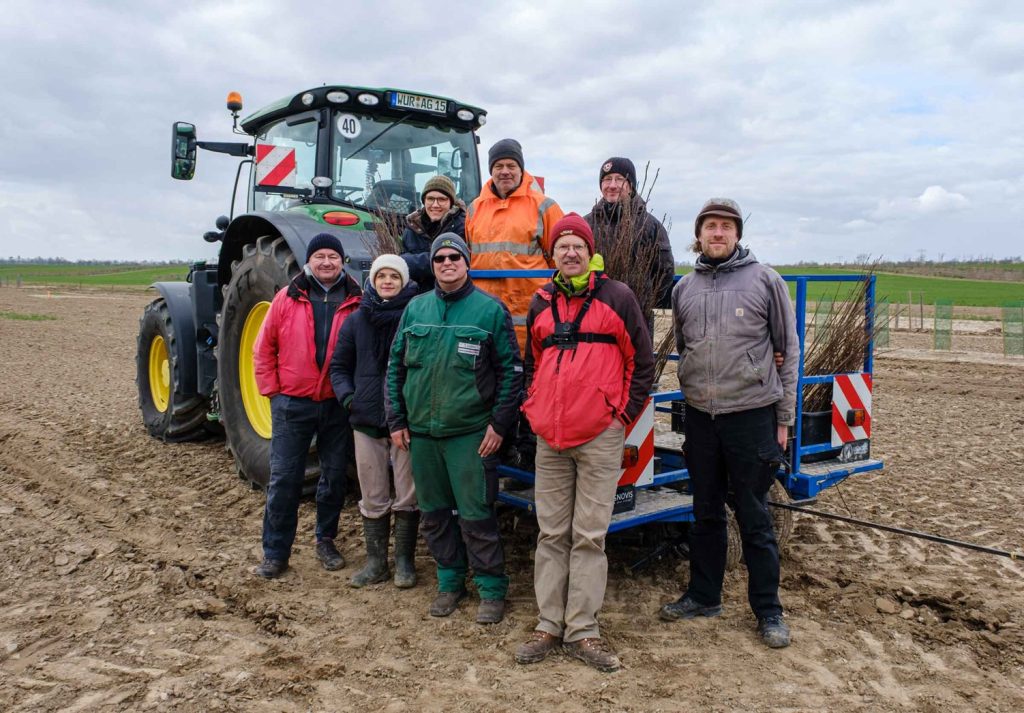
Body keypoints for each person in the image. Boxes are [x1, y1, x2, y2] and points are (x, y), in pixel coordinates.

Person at [513, 214, 655, 672]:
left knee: (589, 536)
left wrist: (621, 418)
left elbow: (642, 363)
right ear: (552, 255)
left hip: (599, 436)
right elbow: (532, 365)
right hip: (551, 438)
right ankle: (548, 624)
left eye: (577, 246)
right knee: (552, 533)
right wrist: (535, 407)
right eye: (562, 247)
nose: (569, 253)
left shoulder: (618, 297)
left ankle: (583, 629)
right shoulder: (541, 302)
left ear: (590, 252)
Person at [660, 198, 799, 649]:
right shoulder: (685, 289)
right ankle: (704, 596)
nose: (717, 234)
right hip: (701, 416)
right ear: (698, 235)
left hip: (751, 415)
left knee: (755, 515)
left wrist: (784, 418)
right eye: (710, 227)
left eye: (725, 227)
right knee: (705, 512)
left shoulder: (765, 280)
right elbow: (686, 345)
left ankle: (768, 611)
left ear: (737, 234)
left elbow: (788, 350)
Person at [386, 233, 523, 624]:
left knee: (476, 514)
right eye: (440, 258)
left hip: (471, 435)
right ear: (432, 265)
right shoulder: (415, 310)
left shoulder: (489, 311)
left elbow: (512, 373)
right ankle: (450, 583)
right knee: (433, 514)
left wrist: (498, 425)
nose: (447, 263)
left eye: (454, 257)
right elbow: (395, 368)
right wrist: (396, 420)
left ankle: (491, 589)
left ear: (466, 263)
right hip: (423, 435)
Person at [252, 233, 361, 579]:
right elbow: (263, 348)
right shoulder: (287, 298)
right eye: (320, 257)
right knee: (284, 479)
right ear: (309, 262)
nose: (327, 262)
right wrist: (273, 392)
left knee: (333, 478)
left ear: (342, 261)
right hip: (292, 404)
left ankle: (325, 541)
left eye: (333, 256)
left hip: (336, 404)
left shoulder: (357, 300)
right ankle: (275, 552)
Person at [329, 254, 420, 589]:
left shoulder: (414, 318)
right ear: (372, 281)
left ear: (403, 282)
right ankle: (375, 562)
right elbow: (338, 367)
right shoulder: (356, 321)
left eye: (393, 277)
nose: (387, 281)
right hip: (365, 421)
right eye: (381, 276)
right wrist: (350, 400)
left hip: (405, 422)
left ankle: (404, 564)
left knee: (408, 493)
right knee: (373, 493)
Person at [465, 138, 564, 352]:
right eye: (499, 166)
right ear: (491, 170)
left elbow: (561, 262)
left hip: (529, 317)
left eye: (511, 166)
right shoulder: (474, 209)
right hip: (483, 316)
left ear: (521, 169)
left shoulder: (544, 207)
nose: (505, 171)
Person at [584, 157, 675, 308]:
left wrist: (645, 306)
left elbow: (664, 274)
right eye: (607, 179)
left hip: (637, 313)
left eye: (620, 179)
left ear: (631, 186)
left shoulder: (651, 226)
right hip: (593, 312)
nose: (612, 185)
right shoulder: (586, 225)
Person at [400, 175, 466, 292]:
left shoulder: (463, 225)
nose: (435, 205)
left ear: (451, 202)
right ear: (424, 201)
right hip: (417, 295)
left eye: (441, 199)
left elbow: (456, 263)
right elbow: (401, 264)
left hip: (453, 293)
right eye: (430, 199)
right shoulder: (412, 227)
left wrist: (414, 262)